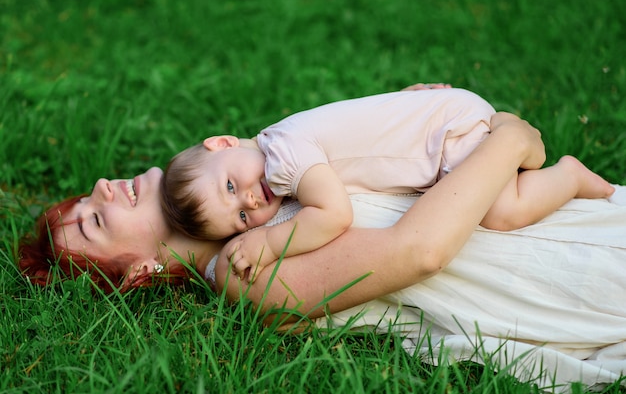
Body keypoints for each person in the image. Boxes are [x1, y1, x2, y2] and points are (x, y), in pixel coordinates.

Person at [17, 92, 626, 392]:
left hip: (560, 224)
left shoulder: (256, 188)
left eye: (87, 198)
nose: (101, 186)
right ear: (143, 272)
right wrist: (512, 140)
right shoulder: (241, 272)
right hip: (559, 272)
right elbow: (419, 251)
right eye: (93, 221)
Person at [161, 87, 614, 282]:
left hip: (445, 137)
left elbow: (335, 215)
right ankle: (514, 137)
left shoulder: (282, 159)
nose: (251, 199)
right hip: (438, 118)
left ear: (222, 143)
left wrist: (271, 242)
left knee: (502, 212)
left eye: (228, 187)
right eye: (242, 217)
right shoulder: (279, 138)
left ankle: (566, 173)